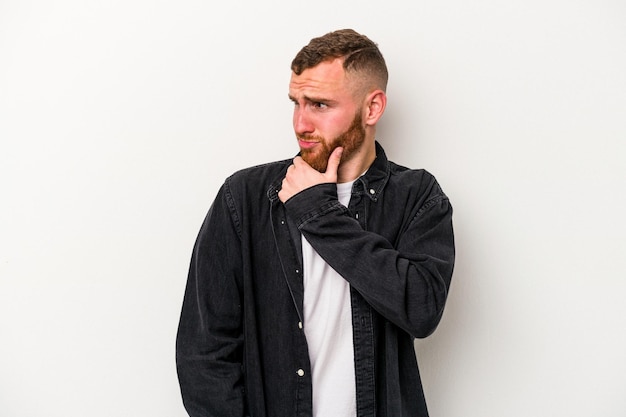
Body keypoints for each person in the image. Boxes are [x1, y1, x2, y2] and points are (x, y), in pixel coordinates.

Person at [176, 28, 455, 417]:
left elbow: (421, 309)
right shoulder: (244, 197)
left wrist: (317, 212)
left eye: (320, 105)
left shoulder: (416, 196)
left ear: (372, 108)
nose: (301, 123)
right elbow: (204, 353)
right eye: (296, 103)